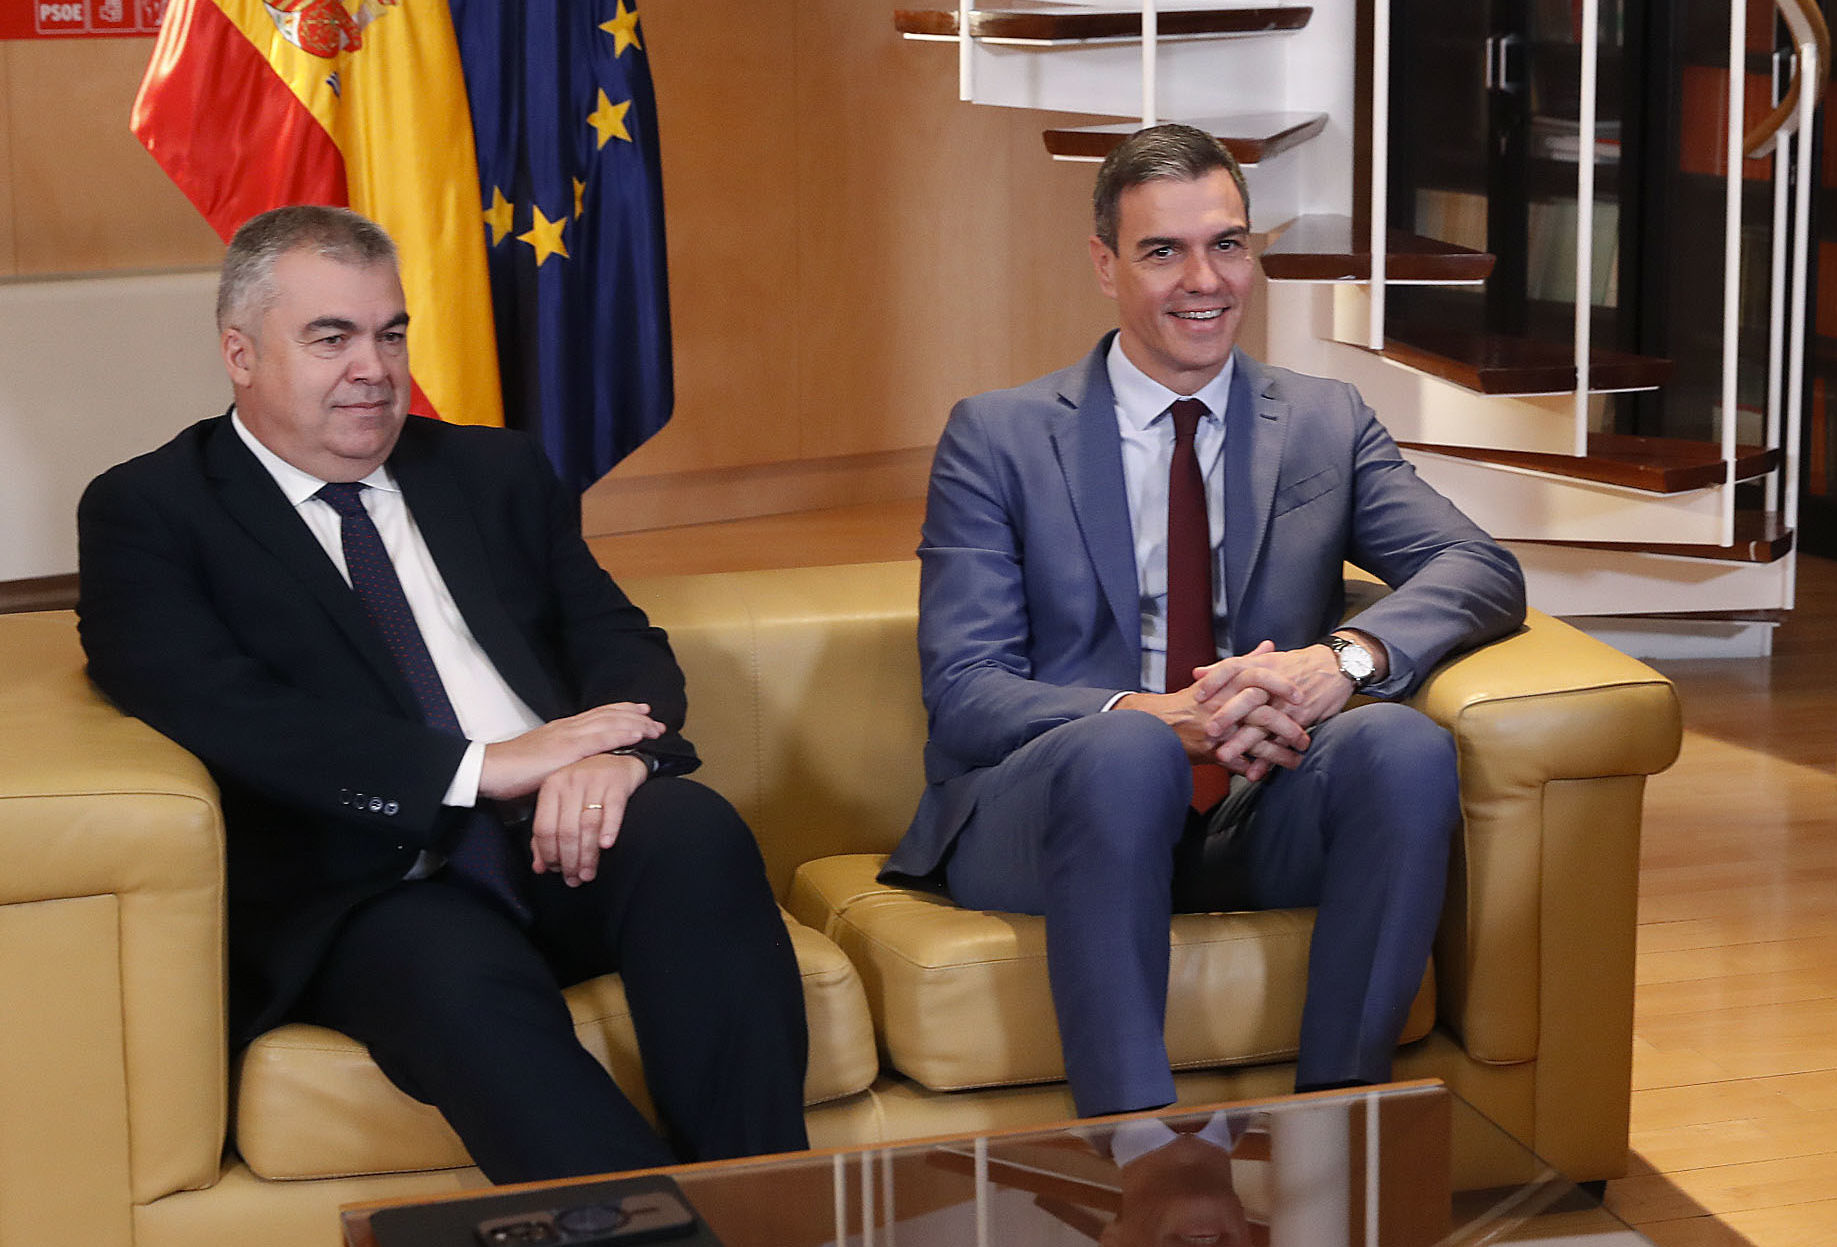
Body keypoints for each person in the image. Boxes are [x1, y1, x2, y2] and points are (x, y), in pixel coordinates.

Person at [76, 205, 808, 1184]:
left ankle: (771, 1198)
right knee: (456, 974)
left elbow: (615, 636)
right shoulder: (151, 510)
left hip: (564, 828)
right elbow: (215, 704)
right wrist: (475, 767)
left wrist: (615, 755)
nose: (373, 368)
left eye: (390, 334)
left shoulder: (490, 469)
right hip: (372, 882)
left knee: (692, 829)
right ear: (239, 353)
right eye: (331, 338)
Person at [883, 124, 1526, 1118]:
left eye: (1226, 244)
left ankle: (1338, 1139)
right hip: (1061, 812)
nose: (1204, 280)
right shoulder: (998, 436)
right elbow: (966, 693)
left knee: (1402, 746)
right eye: (1162, 251)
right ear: (1104, 264)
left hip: (1256, 802)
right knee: (1127, 752)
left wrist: (1341, 660)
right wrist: (1156, 717)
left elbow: (1477, 565)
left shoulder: (1323, 420)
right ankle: (1138, 1151)